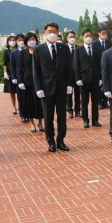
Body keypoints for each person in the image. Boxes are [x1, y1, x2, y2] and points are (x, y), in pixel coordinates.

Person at [32, 22, 74, 152]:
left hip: (61, 88)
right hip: (46, 88)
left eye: (55, 31)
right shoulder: (38, 49)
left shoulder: (64, 48)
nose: (52, 33)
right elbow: (36, 70)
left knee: (61, 116)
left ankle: (60, 141)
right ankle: (50, 141)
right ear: (44, 32)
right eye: (49, 31)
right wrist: (38, 88)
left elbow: (69, 68)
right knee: (48, 116)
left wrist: (69, 84)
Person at [74, 29, 102, 128]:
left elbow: (99, 65)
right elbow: (76, 65)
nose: (89, 37)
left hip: (95, 79)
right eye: (86, 35)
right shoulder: (78, 50)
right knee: (84, 102)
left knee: (95, 101)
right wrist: (78, 78)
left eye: (90, 35)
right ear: (82, 37)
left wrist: (100, 78)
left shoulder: (96, 50)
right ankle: (85, 120)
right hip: (84, 80)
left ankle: (95, 120)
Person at [17, 32, 43, 133]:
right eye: (29, 39)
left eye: (33, 39)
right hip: (27, 82)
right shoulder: (22, 53)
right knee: (29, 103)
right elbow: (19, 68)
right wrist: (20, 81)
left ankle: (40, 123)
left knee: (40, 104)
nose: (32, 41)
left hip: (40, 81)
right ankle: (32, 124)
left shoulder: (40, 51)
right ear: (26, 41)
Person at [10, 33, 27, 123]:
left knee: (28, 97)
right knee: (20, 98)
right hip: (18, 78)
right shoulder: (13, 53)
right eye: (19, 40)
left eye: (22, 40)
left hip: (28, 77)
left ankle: (29, 114)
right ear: (16, 41)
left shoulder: (29, 50)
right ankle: (23, 115)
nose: (21, 42)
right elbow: (12, 66)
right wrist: (13, 77)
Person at [92, 27, 111, 109]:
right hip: (98, 67)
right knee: (98, 86)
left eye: (105, 33)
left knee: (106, 85)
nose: (104, 35)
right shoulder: (94, 43)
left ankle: (105, 101)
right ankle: (99, 102)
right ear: (99, 33)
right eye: (102, 33)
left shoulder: (109, 43)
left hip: (108, 67)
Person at [65, 30, 81, 119]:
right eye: (70, 37)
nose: (72, 38)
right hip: (67, 76)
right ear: (67, 38)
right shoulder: (63, 48)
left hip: (77, 75)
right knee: (68, 93)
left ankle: (78, 110)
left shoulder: (78, 48)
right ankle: (69, 110)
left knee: (78, 94)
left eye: (74, 37)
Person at [2, 35, 18, 114]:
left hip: (18, 72)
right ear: (8, 42)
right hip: (10, 73)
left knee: (20, 91)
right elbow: (5, 63)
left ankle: (21, 106)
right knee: (12, 92)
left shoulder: (19, 50)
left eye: (14, 40)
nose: (13, 42)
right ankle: (14, 107)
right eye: (11, 40)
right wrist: (5, 72)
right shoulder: (6, 51)